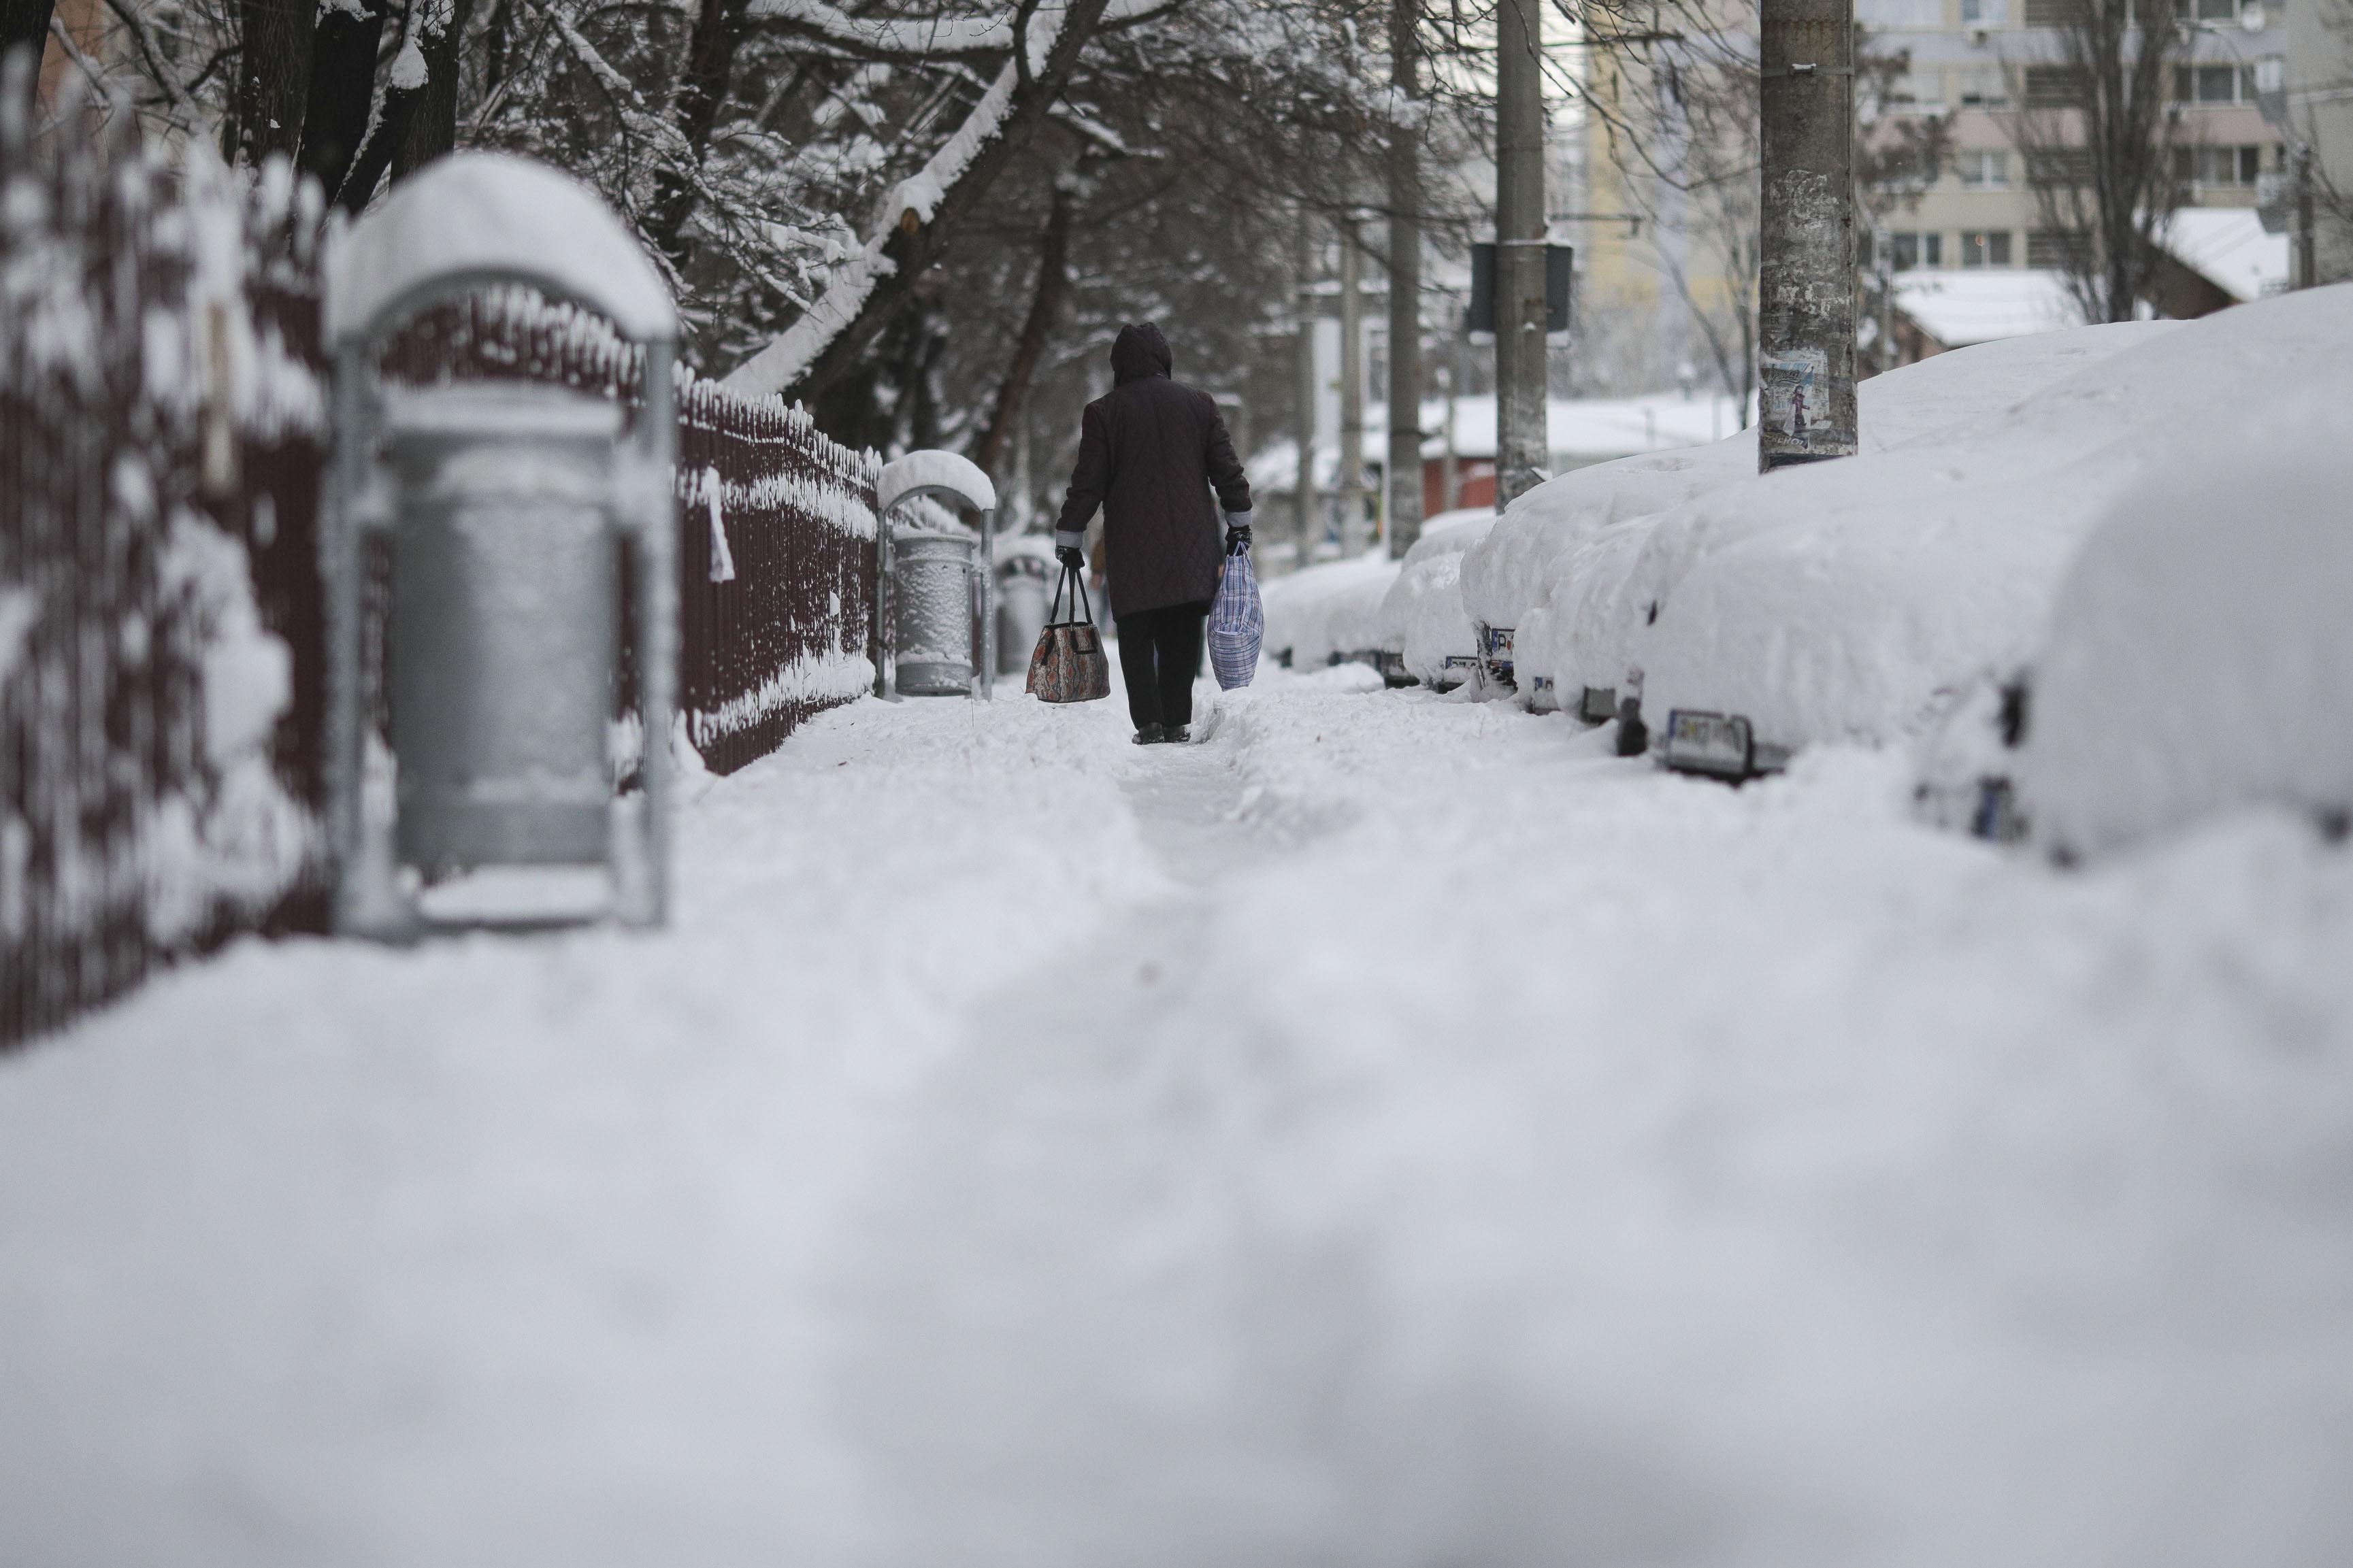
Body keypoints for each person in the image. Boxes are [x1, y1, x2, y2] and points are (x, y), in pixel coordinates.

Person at [1054, 322, 1253, 745]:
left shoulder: (1104, 413)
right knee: (1182, 630)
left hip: (1132, 545)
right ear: (1165, 360)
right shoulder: (1199, 405)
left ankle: (1148, 723)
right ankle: (1177, 720)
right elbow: (1227, 470)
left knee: (1137, 633)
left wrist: (1070, 536)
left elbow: (1088, 483)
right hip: (1191, 543)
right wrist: (1239, 521)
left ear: (1119, 366)